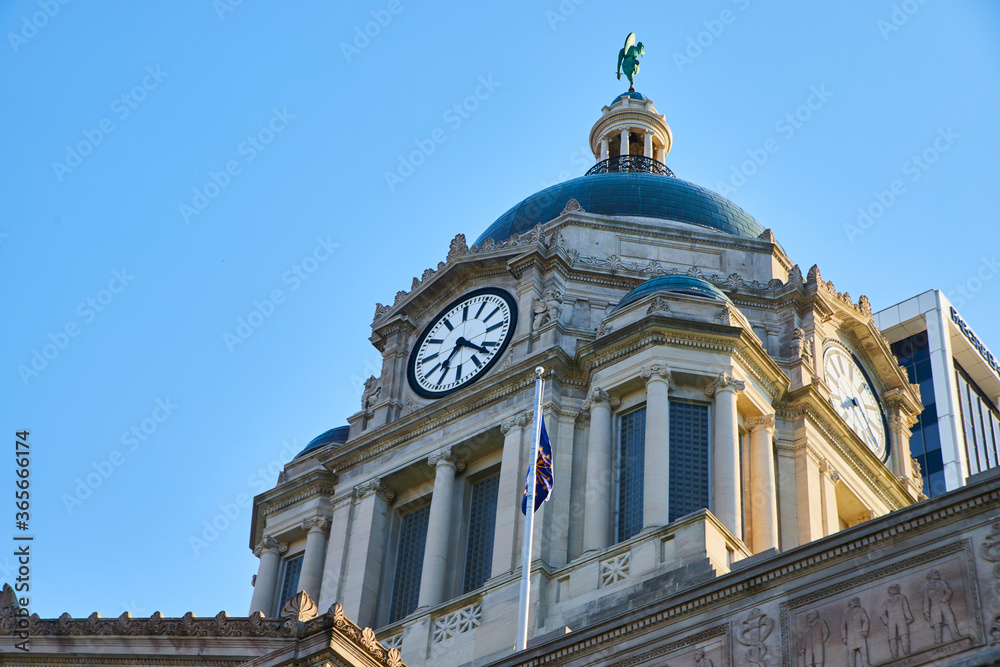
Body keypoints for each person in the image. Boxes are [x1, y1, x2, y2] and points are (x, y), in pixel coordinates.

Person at [924, 570, 961, 644]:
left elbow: (949, 591)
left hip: (943, 604)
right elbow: (926, 600)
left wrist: (945, 598)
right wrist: (926, 611)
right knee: (937, 624)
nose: (936, 574)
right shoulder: (927, 587)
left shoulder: (942, 583)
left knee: (950, 619)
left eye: (936, 573)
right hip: (934, 607)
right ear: (930, 576)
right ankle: (938, 641)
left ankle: (955, 635)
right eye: (934, 573)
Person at [880, 584, 913, 659]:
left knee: (904, 634)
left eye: (895, 588)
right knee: (892, 638)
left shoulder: (901, 597)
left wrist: (908, 616)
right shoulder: (886, 601)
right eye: (892, 588)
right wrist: (886, 622)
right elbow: (882, 613)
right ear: (889, 590)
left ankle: (907, 652)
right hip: (891, 621)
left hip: (901, 618)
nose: (894, 590)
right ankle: (894, 655)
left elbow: (905, 607)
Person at [841, 597, 870, 667]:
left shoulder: (860, 610)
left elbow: (865, 620)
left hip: (859, 633)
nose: (854, 602)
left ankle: (865, 664)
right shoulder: (846, 613)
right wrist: (844, 637)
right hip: (850, 635)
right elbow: (843, 626)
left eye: (855, 601)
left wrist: (864, 630)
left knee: (863, 649)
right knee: (851, 651)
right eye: (852, 601)